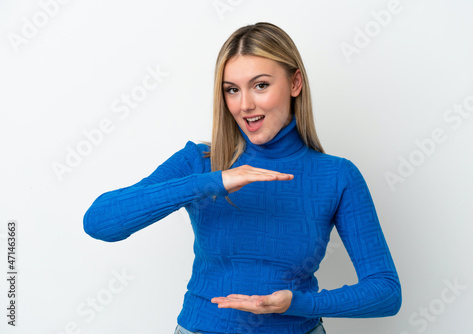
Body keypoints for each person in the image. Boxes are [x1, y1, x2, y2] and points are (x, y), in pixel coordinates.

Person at [83, 22, 402, 334]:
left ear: (295, 84)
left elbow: (386, 292)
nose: (245, 104)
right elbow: (99, 222)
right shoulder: (200, 162)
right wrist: (211, 181)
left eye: (260, 85)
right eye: (232, 90)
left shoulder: (337, 175)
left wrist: (298, 304)